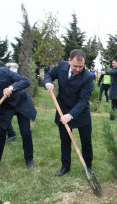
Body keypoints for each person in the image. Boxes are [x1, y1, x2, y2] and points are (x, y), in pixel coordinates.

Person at [44, 49, 94, 177]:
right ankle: (65, 166)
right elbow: (49, 74)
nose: (78, 69)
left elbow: (83, 100)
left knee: (86, 141)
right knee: (65, 140)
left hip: (80, 112)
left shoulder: (88, 77)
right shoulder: (62, 66)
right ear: (69, 61)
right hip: (63, 109)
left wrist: (71, 115)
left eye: (81, 66)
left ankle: (88, 166)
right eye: (75, 66)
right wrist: (48, 82)